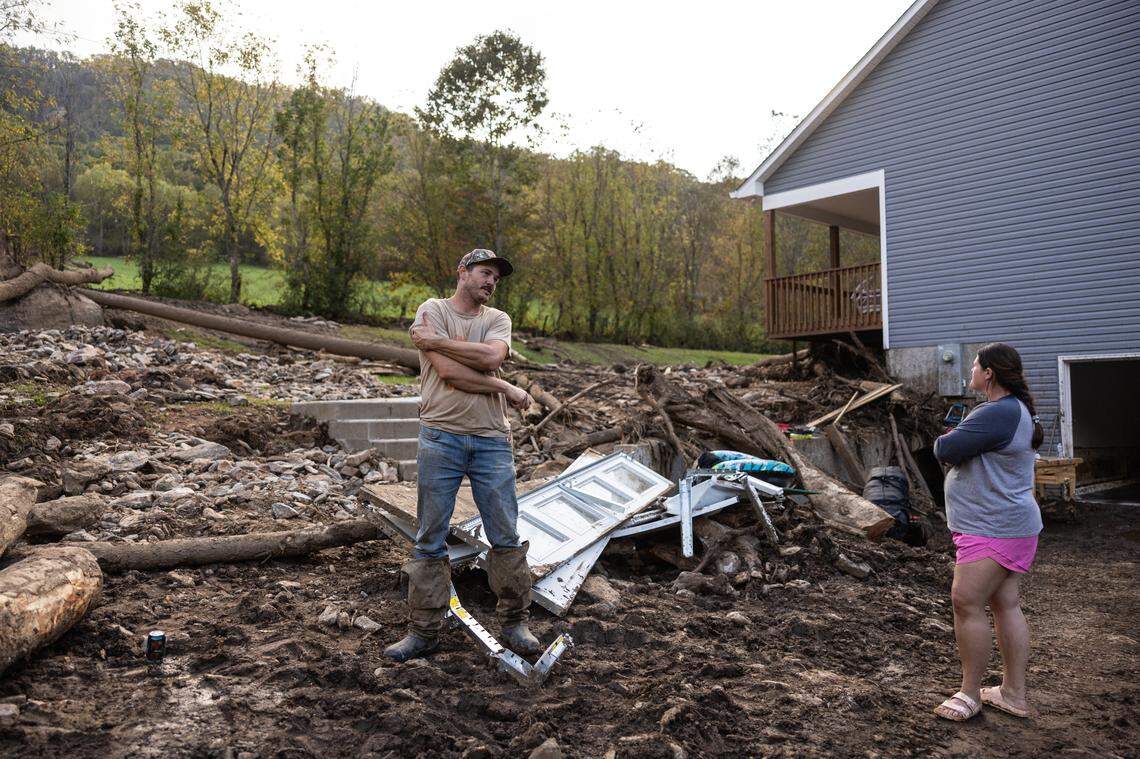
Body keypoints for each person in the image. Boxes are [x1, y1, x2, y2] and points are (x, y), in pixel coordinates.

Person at [383, 248, 537, 663]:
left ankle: (515, 623)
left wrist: (437, 343)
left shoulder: (496, 319)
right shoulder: (431, 309)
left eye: (496, 278)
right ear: (462, 273)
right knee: (430, 536)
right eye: (485, 273)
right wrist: (503, 386)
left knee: (504, 534)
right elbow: (449, 374)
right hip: (441, 437)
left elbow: (491, 357)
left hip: (491, 439)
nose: (491, 282)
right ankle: (423, 631)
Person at [932, 342, 1044, 721]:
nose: (972, 370)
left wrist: (953, 434)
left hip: (994, 527)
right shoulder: (1012, 411)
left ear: (990, 373)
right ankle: (1012, 693)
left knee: (965, 601)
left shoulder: (997, 412)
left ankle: (969, 694)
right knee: (1004, 603)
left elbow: (944, 448)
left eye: (976, 365)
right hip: (1005, 524)